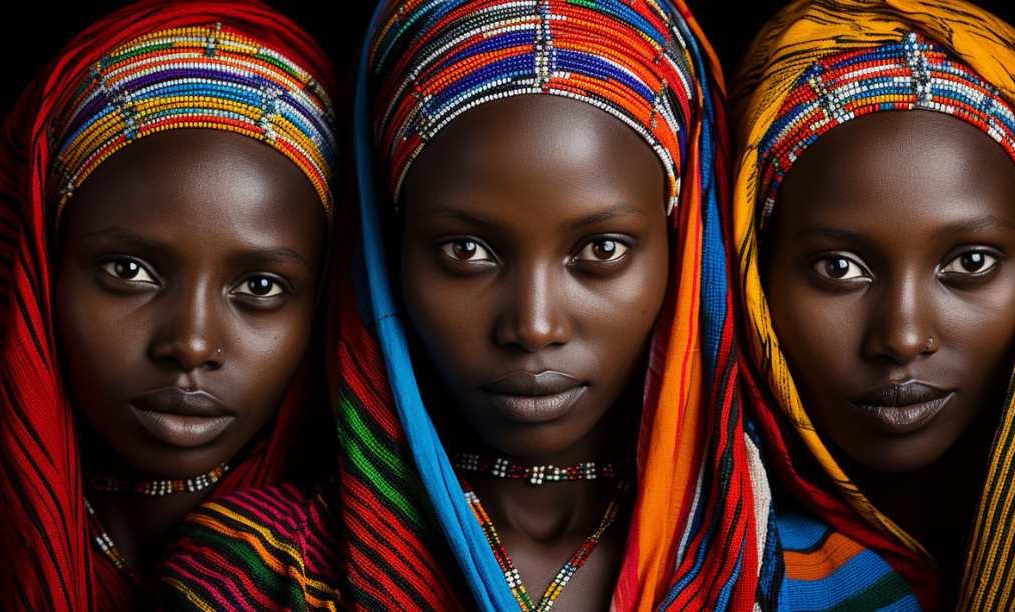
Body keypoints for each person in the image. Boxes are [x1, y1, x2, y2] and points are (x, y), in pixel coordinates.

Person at [161, 0, 786, 609]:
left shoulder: (811, 578)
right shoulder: (257, 572)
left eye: (602, 248)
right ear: (387, 250)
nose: (534, 326)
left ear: (681, 251)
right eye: (466, 251)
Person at [728, 1, 1015, 609]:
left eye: (969, 263)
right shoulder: (696, 569)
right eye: (839, 268)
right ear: (752, 273)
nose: (904, 337)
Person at [0, 1, 337, 607]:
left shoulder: (356, 573)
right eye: (129, 271)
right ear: (36, 266)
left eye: (260, 287)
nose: (189, 342)